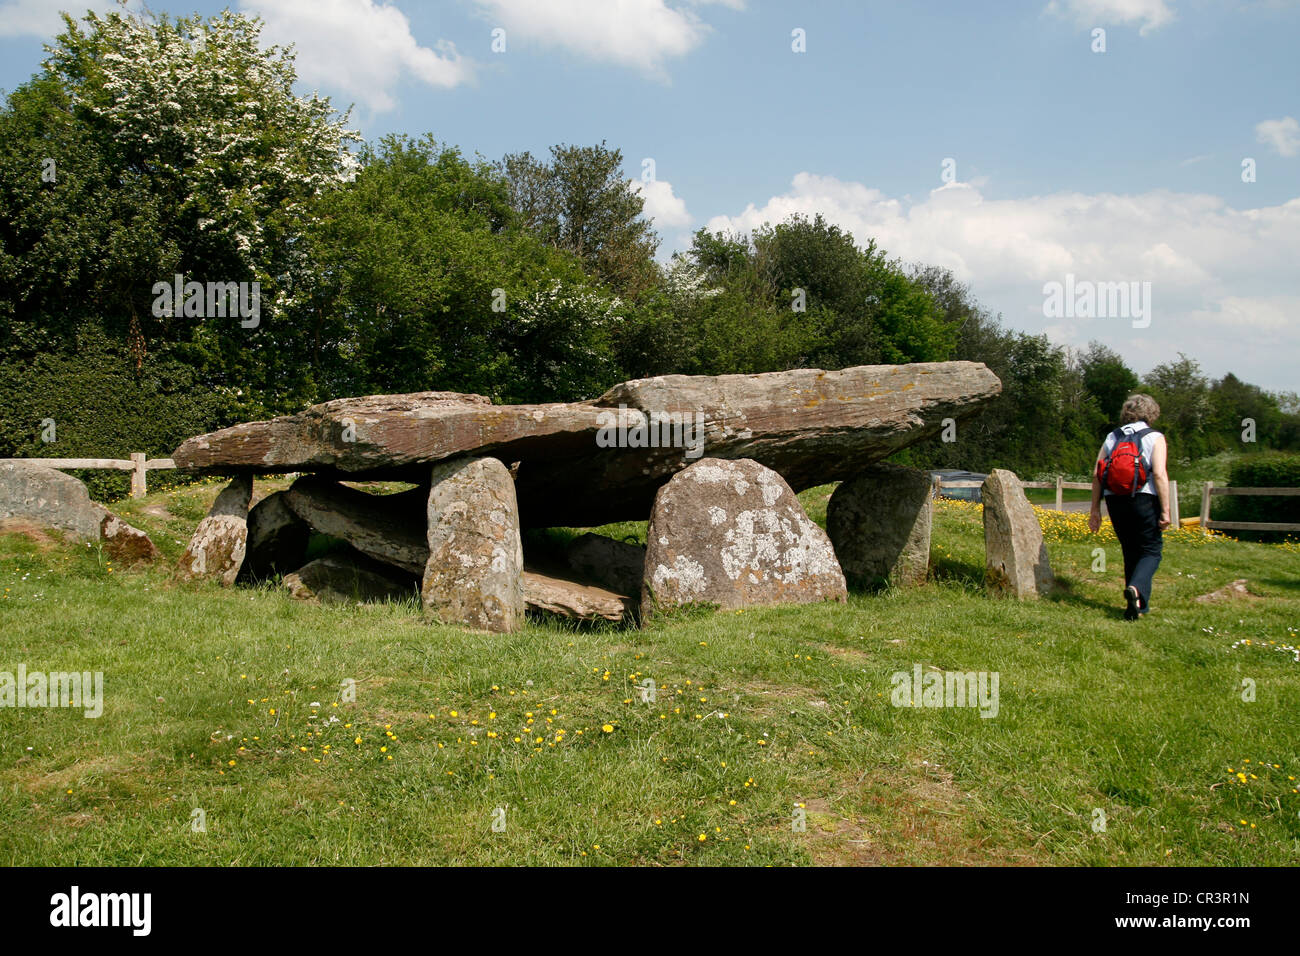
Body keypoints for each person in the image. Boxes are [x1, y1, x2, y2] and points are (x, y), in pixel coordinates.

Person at [1088, 394, 1171, 620]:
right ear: (1152, 413)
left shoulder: (1112, 436)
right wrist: (1165, 510)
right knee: (1151, 550)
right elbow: (1160, 474)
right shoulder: (1155, 437)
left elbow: (1097, 474)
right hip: (1144, 498)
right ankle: (1136, 590)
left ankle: (1135, 608)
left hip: (1115, 500)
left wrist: (1095, 510)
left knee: (1130, 550)